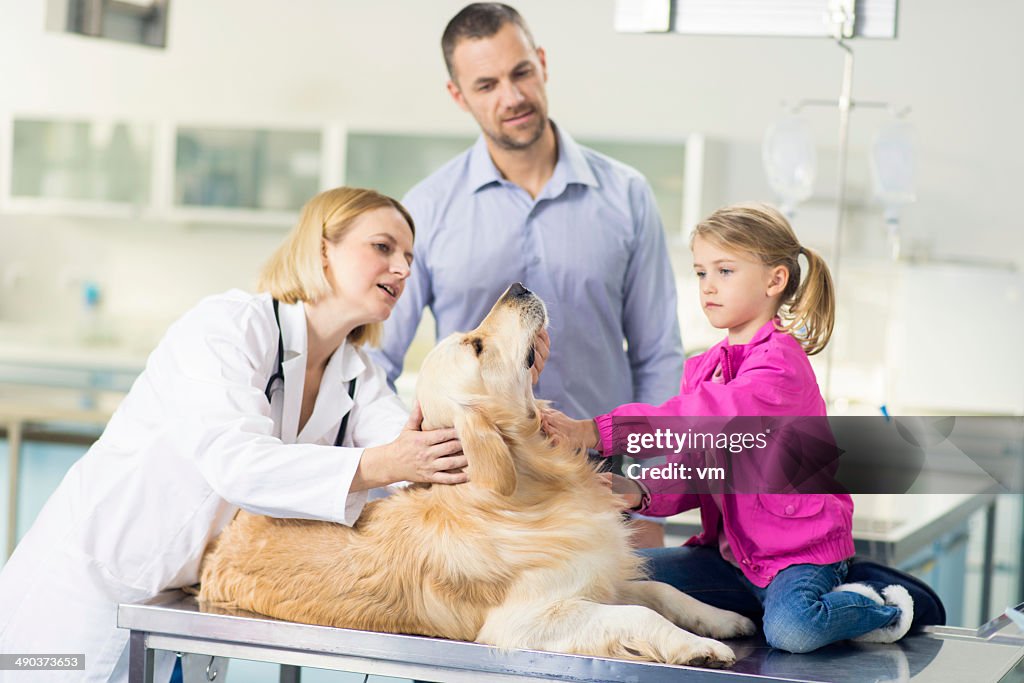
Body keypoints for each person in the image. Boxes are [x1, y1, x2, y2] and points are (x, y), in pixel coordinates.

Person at [0, 187, 473, 682]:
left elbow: (417, 459)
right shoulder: (227, 326)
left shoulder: (358, 374)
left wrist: (501, 397)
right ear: (321, 250)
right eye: (383, 247)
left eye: (408, 257)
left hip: (187, 606)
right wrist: (383, 464)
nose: (402, 269)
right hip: (88, 590)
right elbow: (236, 463)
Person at [372, 3, 684, 547]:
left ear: (542, 64)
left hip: (601, 492)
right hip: (481, 506)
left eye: (520, 73)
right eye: (486, 84)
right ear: (458, 95)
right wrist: (407, 460)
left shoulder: (626, 196)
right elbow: (375, 358)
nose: (511, 97)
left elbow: (658, 356)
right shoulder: (426, 209)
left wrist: (648, 492)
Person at [544, 203, 919, 653]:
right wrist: (640, 491)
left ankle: (882, 601)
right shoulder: (703, 369)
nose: (708, 288)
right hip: (733, 561)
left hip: (796, 559)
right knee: (620, 586)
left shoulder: (780, 368)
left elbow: (707, 416)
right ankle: (770, 604)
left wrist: (594, 432)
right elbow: (697, 469)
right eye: (701, 273)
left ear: (774, 280)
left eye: (725, 271)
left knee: (793, 631)